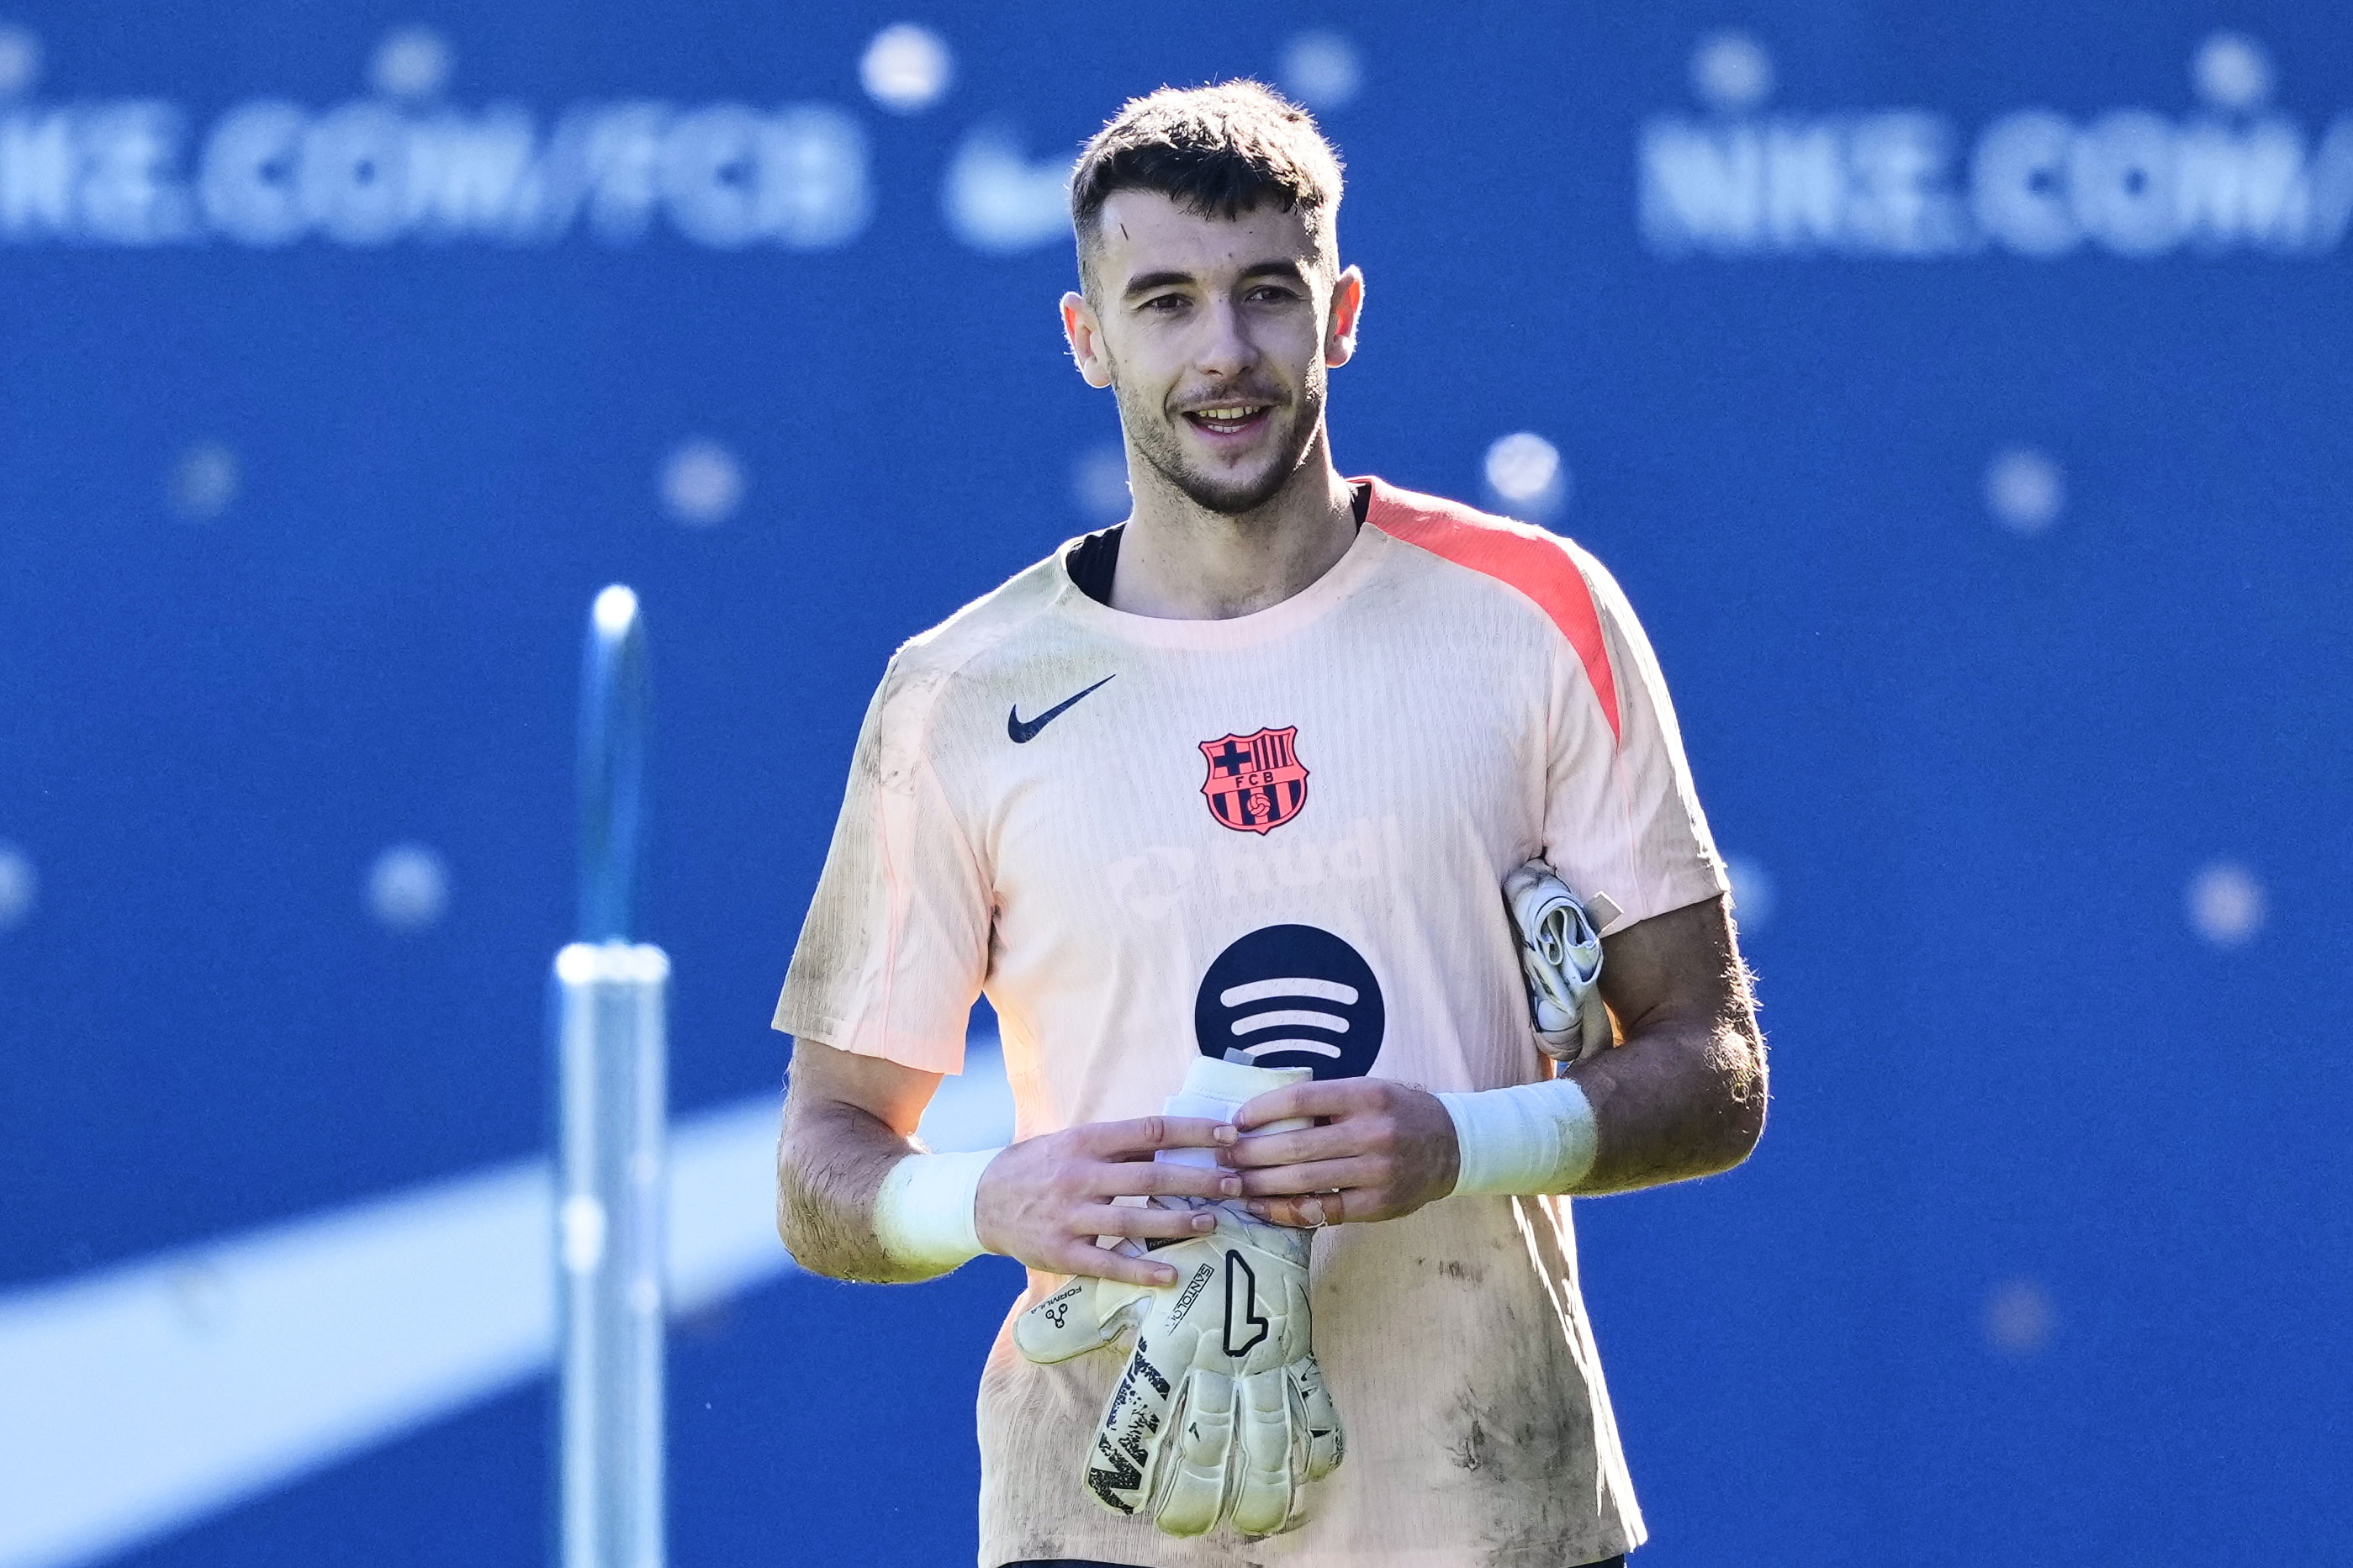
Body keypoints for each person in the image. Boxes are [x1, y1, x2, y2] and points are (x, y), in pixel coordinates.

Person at [773, 80, 1766, 1568]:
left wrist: (1462, 1144)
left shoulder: (1540, 613)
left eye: (1265, 295)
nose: (1222, 352)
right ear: (1085, 335)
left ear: (1341, 311)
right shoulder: (956, 692)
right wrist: (989, 1197)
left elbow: (1715, 1072)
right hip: (1104, 1520)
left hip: (1488, 1504)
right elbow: (819, 1170)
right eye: (1163, 300)